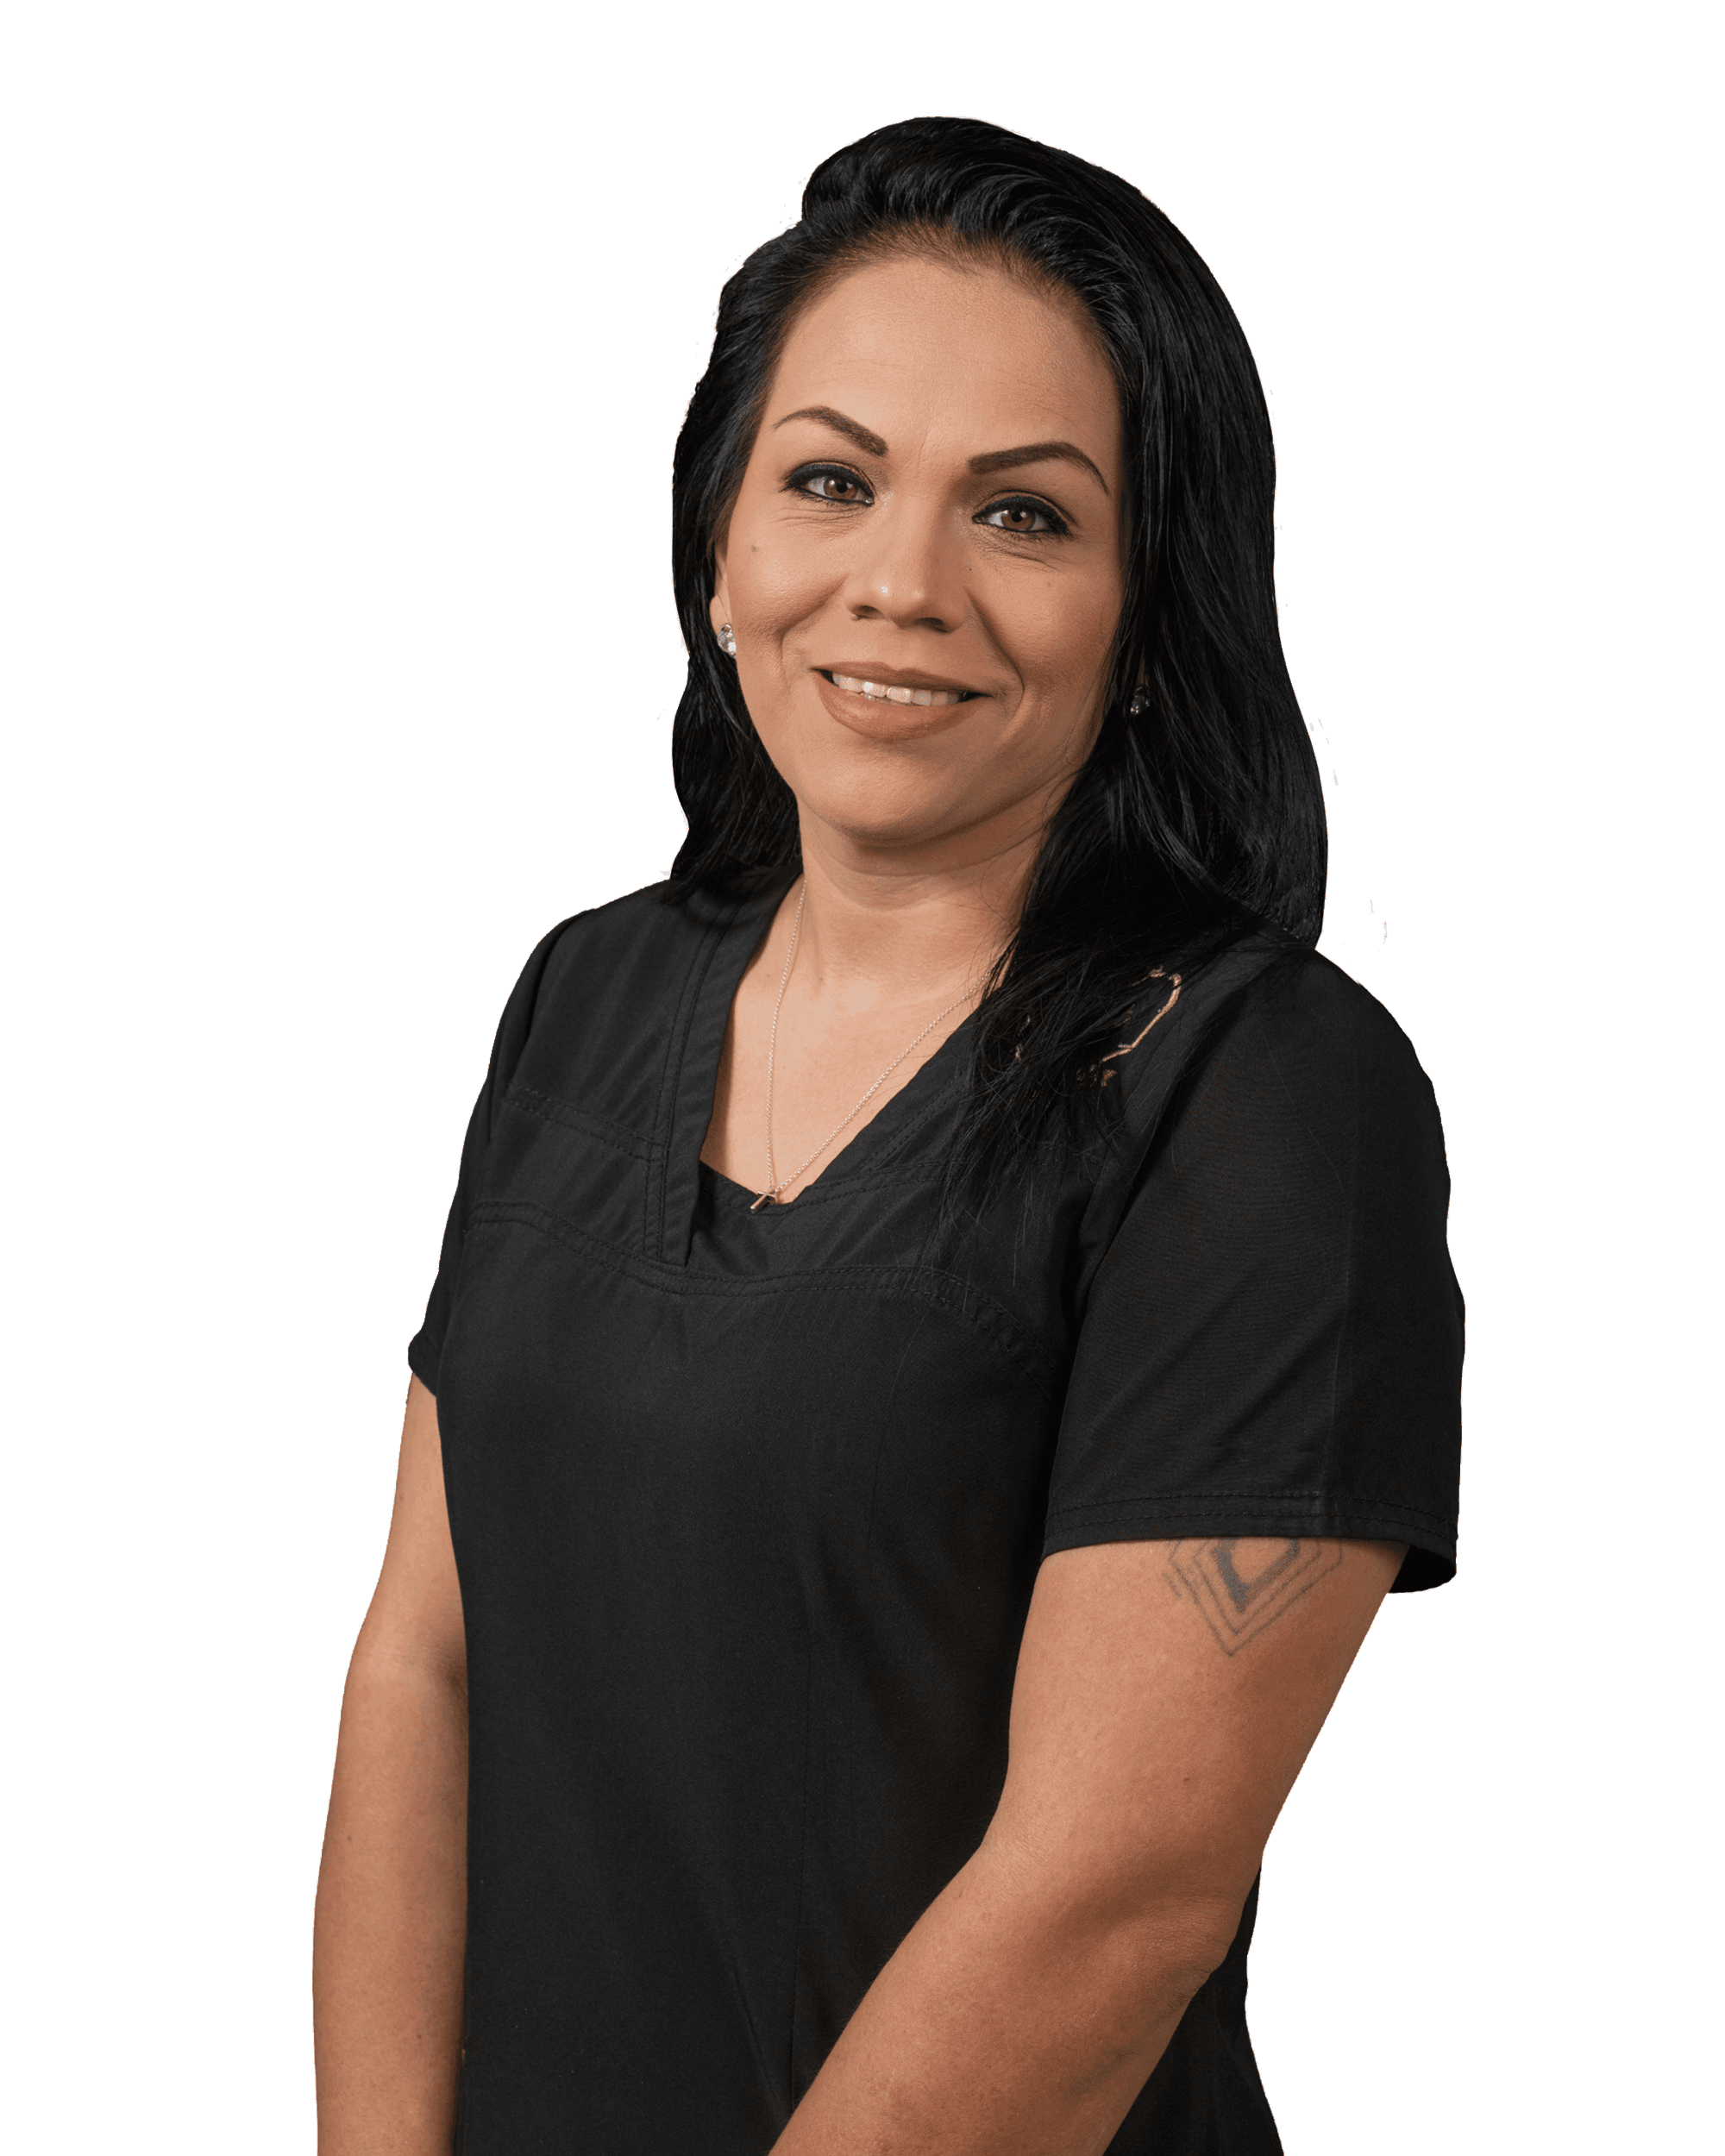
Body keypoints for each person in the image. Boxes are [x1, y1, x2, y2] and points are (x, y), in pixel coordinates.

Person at [310, 115, 1465, 2155]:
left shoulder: (1264, 1094)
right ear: (719, 548)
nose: (902, 583)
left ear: (1145, 604)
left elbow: (1114, 1899)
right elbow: (426, 1656)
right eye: (829, 479)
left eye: (1025, 515)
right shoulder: (585, 996)